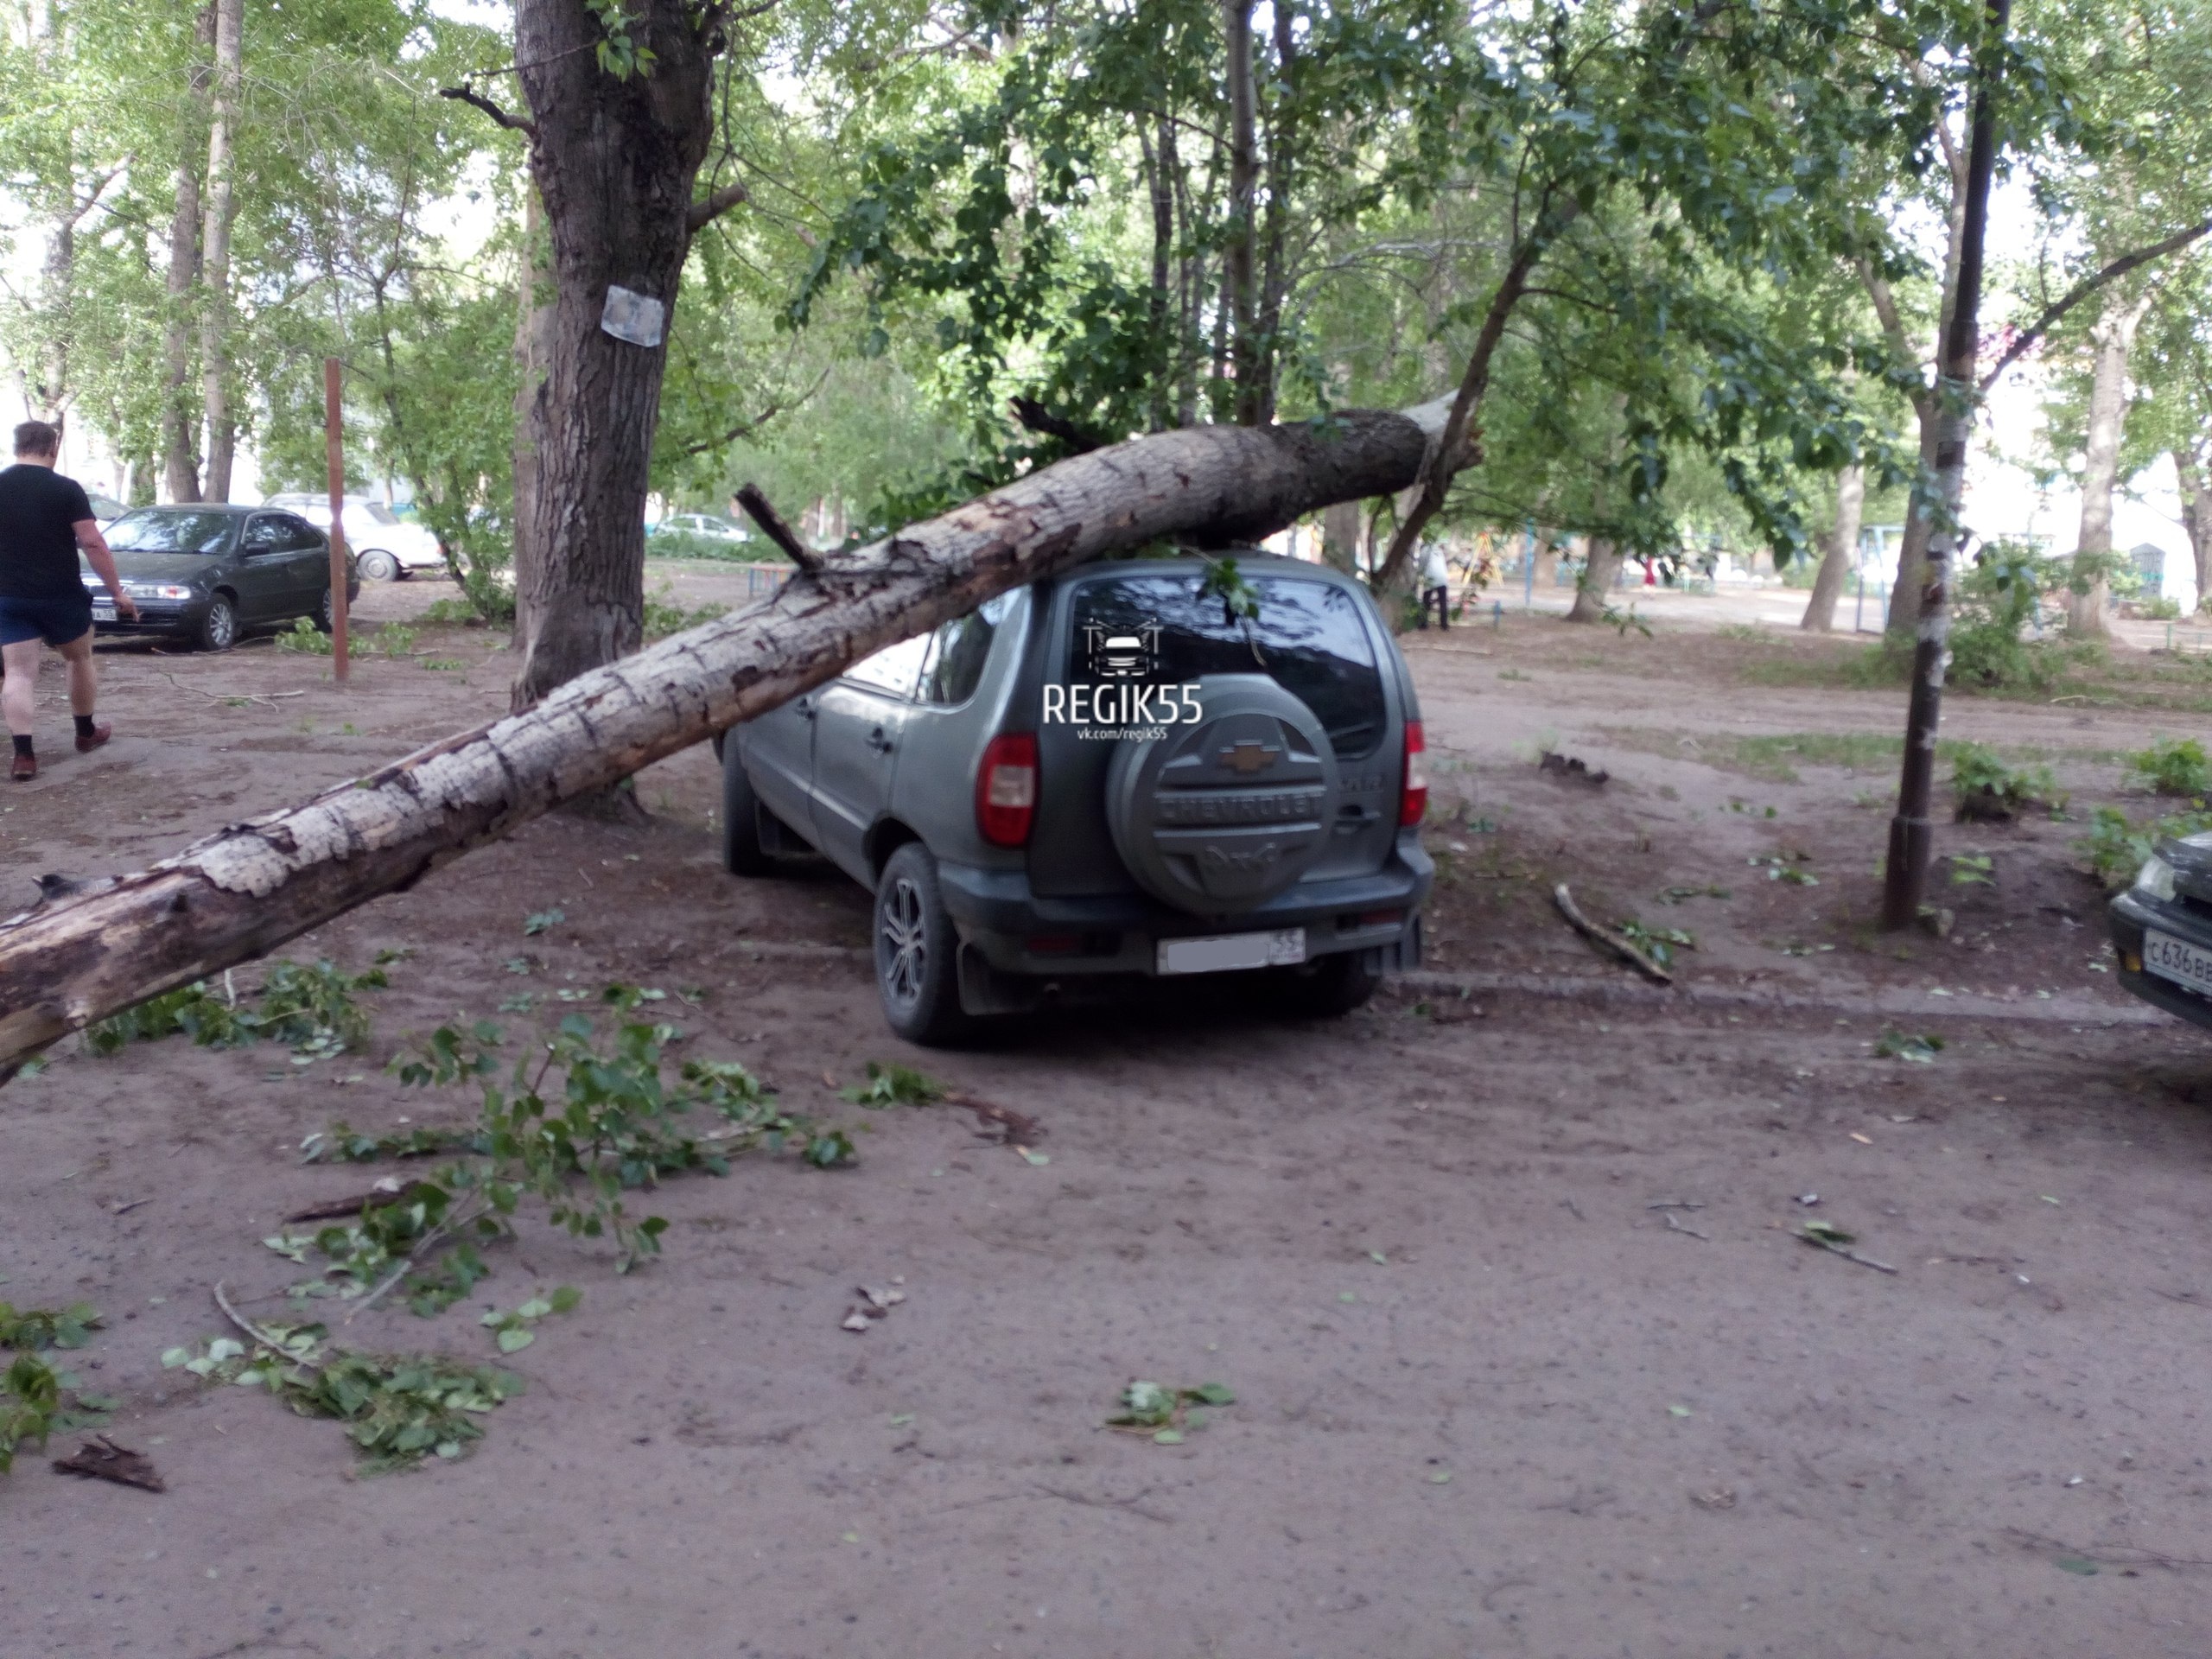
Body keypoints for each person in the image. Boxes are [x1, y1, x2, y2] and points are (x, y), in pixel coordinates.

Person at [0, 421, 136, 781]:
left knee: (17, 672)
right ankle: (85, 732)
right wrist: (117, 591)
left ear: (17, 447)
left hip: (10, 597)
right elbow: (92, 543)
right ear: (52, 448)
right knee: (79, 657)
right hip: (61, 595)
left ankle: (24, 757)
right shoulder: (65, 489)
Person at [1417, 542, 1452, 630]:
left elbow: (1421, 568)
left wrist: (1418, 579)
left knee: (1425, 600)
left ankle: (1423, 623)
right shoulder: (1438, 550)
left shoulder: (1424, 551)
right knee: (1443, 602)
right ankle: (1444, 625)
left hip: (1430, 577)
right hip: (1443, 577)